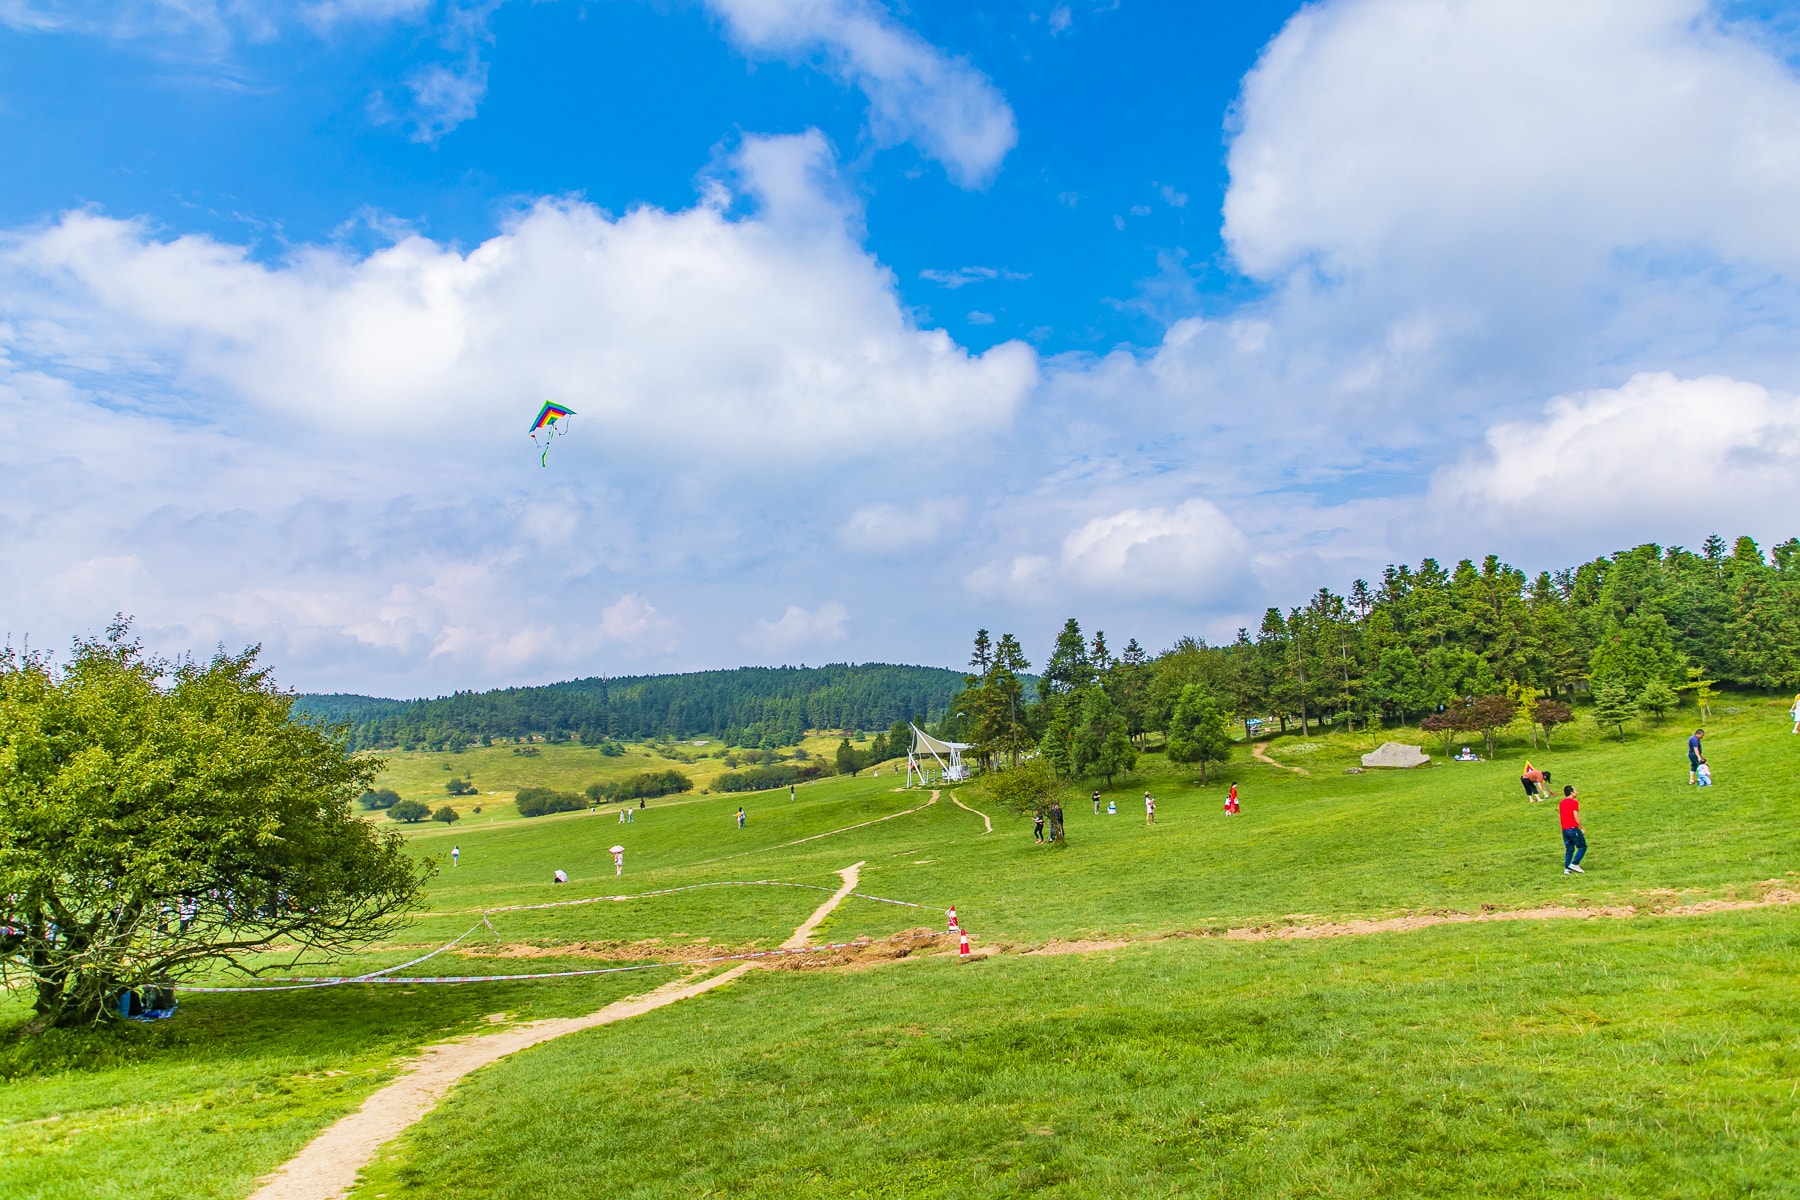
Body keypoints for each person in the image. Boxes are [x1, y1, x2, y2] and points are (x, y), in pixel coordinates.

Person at [1559, 785, 1586, 875]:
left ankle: (1567, 868)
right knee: (1582, 846)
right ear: (1571, 792)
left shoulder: (1562, 803)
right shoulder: (1574, 802)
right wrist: (1581, 827)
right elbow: (1576, 816)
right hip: (1573, 828)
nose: (1577, 792)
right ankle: (1575, 864)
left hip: (1564, 829)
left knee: (1569, 849)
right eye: (1575, 790)